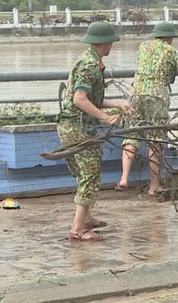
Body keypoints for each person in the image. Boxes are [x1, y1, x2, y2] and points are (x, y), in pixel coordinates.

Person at [57, 22, 132, 241]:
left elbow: (89, 98)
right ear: (105, 42)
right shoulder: (90, 65)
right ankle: (78, 229)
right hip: (79, 128)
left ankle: (86, 218)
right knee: (90, 176)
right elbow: (79, 99)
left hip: (69, 126)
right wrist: (106, 117)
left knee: (83, 176)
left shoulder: (88, 60)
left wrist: (116, 104)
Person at [118, 22, 178, 195]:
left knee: (131, 135)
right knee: (155, 141)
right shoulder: (172, 52)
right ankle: (154, 185)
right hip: (157, 97)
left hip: (135, 94)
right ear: (170, 38)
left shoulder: (143, 46)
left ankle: (124, 178)